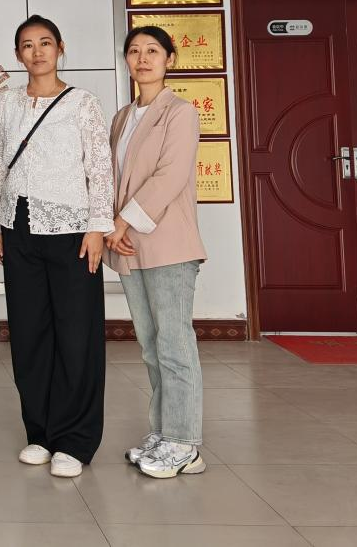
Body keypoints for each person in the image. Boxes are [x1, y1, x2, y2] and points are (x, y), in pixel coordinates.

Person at [0, 14, 114, 479]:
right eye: (27, 45)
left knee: (76, 335)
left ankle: (75, 439)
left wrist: (98, 226)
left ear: (60, 48)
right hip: (18, 227)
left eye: (45, 43)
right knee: (29, 333)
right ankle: (39, 431)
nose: (36, 52)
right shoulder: (5, 104)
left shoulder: (83, 103)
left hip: (72, 230)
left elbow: (100, 167)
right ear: (17, 54)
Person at [105, 26, 207, 479]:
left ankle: (185, 443)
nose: (142, 59)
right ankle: (164, 431)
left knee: (174, 344)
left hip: (167, 243)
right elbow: (112, 178)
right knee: (150, 345)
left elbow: (169, 175)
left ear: (170, 58)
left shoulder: (180, 112)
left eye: (152, 51)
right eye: (134, 51)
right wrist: (113, 227)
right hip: (129, 244)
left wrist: (122, 222)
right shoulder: (122, 118)